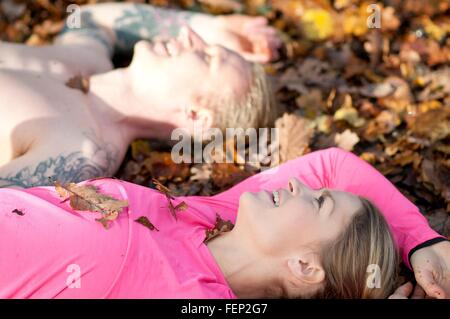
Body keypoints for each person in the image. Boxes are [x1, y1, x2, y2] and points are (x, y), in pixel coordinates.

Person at [1, 148, 448, 298]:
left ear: (305, 268)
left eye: (316, 204)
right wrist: (422, 241)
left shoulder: (197, 295)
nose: (298, 186)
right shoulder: (214, 217)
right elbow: (333, 165)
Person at [0, 2, 280, 188]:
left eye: (208, 57)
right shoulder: (89, 58)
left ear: (195, 115)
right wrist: (215, 27)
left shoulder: (81, 151)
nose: (188, 33)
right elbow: (85, 17)